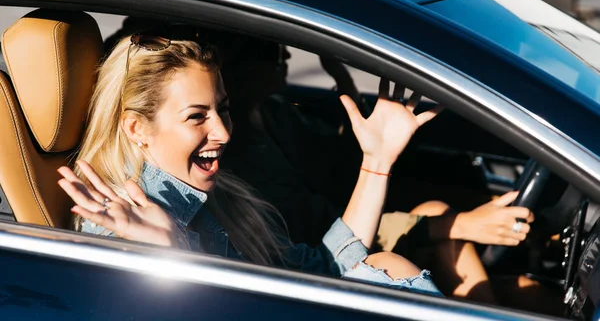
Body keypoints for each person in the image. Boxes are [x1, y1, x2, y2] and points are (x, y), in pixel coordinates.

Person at [56, 28, 444, 296]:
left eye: (222, 110)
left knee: (386, 265)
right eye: (196, 116)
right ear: (137, 127)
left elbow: (321, 271)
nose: (223, 132)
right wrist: (172, 254)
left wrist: (376, 162)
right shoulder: (119, 226)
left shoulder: (216, 196)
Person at [215, 35, 538, 304]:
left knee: (523, 293)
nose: (285, 53)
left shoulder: (276, 114)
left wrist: (345, 87)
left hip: (344, 241)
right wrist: (454, 225)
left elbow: (340, 167)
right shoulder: (233, 158)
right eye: (270, 49)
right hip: (330, 266)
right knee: (441, 224)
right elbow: (324, 242)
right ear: (236, 66)